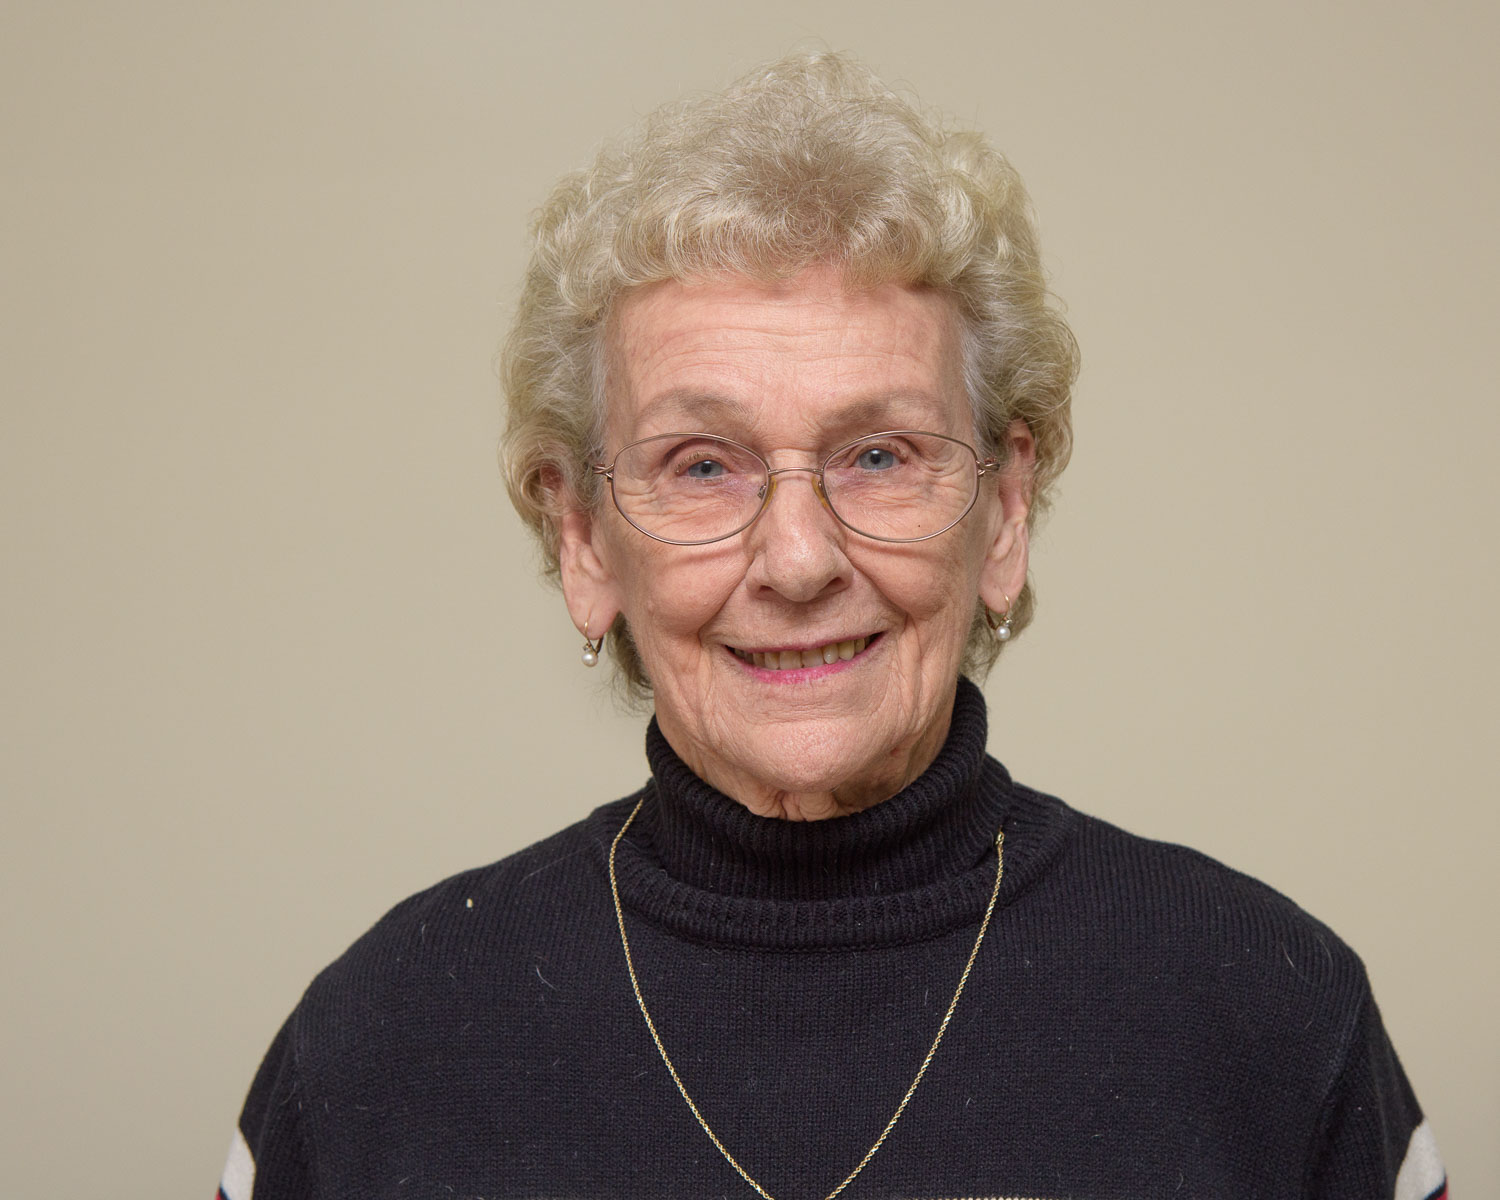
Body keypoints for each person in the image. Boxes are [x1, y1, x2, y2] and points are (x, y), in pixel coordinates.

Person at [220, 52, 1445, 1200]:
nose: (799, 560)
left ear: (1005, 513)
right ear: (583, 539)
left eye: (880, 455)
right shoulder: (377, 1046)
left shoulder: (1270, 1014)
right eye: (703, 466)